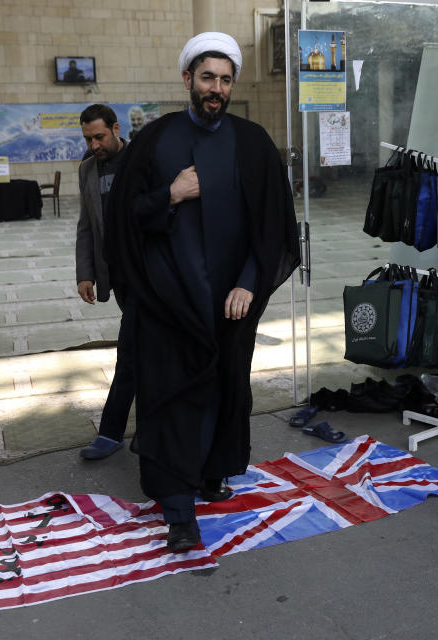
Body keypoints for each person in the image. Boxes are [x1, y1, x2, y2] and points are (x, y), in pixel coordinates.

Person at [106, 32, 300, 552]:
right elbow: (123, 218)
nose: (216, 88)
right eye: (207, 77)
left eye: (225, 79)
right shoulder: (153, 142)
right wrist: (171, 194)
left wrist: (249, 282)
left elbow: (275, 225)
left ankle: (211, 471)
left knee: (223, 389)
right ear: (187, 79)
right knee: (170, 398)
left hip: (230, 302)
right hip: (167, 302)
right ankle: (177, 509)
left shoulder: (252, 142)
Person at [75, 104, 133, 461]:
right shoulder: (86, 169)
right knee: (139, 352)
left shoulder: (140, 160)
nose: (94, 145)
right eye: (87, 138)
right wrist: (85, 273)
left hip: (152, 276)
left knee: (132, 351)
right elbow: (85, 225)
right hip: (118, 276)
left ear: (115, 129)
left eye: (99, 136)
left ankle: (112, 432)